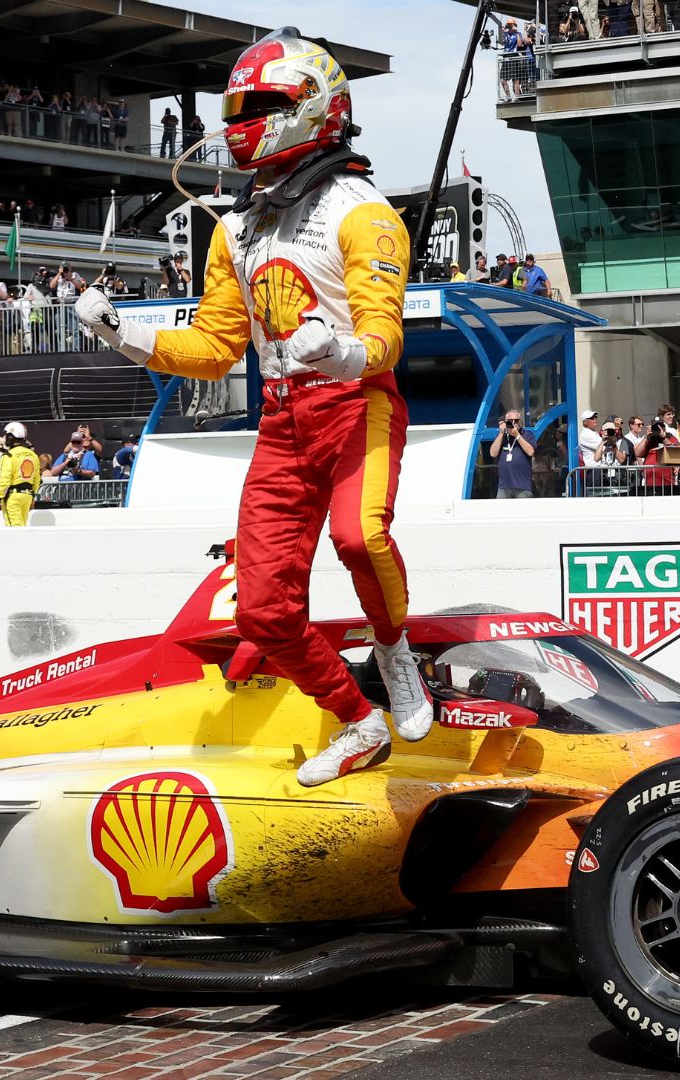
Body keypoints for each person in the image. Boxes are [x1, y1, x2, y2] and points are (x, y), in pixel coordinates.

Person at [74, 28, 430, 787]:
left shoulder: (363, 212)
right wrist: (121, 331)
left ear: (314, 107)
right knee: (263, 613)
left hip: (356, 405)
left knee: (360, 539)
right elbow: (211, 346)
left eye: (261, 104)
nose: (242, 121)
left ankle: (396, 654)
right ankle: (358, 721)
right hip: (281, 423)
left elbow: (385, 338)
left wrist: (336, 351)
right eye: (238, 106)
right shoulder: (234, 228)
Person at [0, 421, 43, 525]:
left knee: (15, 529)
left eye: (7, 435)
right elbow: (37, 479)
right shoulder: (33, 455)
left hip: (13, 497)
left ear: (11, 437)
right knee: (22, 526)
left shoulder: (9, 455)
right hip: (28, 496)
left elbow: (4, 479)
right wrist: (32, 497)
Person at [490, 409, 536, 498]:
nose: (514, 423)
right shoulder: (502, 437)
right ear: (505, 422)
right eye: (510, 421)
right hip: (504, 486)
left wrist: (517, 435)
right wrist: (501, 433)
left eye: (516, 420)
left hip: (522, 485)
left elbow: (530, 452)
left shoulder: (527, 434)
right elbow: (493, 453)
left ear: (520, 422)